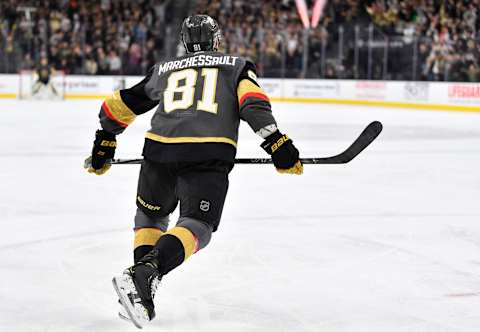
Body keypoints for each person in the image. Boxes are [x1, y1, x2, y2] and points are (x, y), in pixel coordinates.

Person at [84, 14, 303, 328]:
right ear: (216, 40)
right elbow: (252, 104)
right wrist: (276, 143)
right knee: (198, 226)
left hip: (157, 153)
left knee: (151, 217)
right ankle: (145, 274)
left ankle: (141, 292)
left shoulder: (164, 68)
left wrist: (104, 141)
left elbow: (119, 105)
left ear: (185, 42)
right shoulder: (236, 65)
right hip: (206, 154)